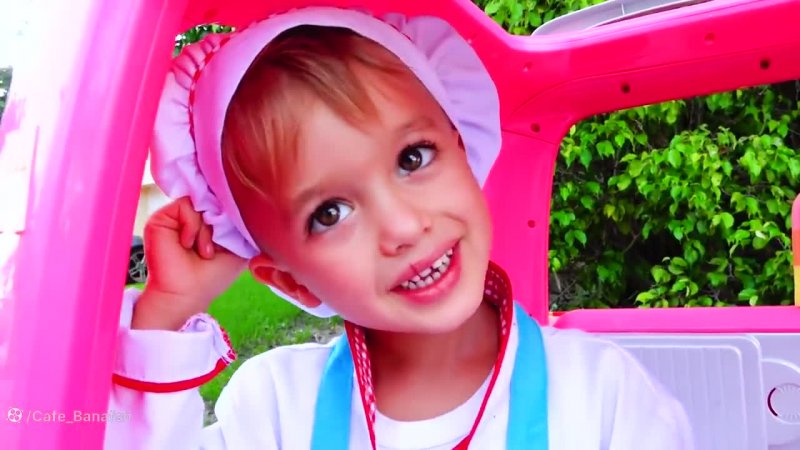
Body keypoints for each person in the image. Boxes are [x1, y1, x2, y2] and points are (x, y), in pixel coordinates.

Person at [105, 7, 694, 450]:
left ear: (463, 145)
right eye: (329, 213)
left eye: (413, 158)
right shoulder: (275, 409)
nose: (404, 226)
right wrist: (163, 317)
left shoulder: (603, 395)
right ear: (291, 281)